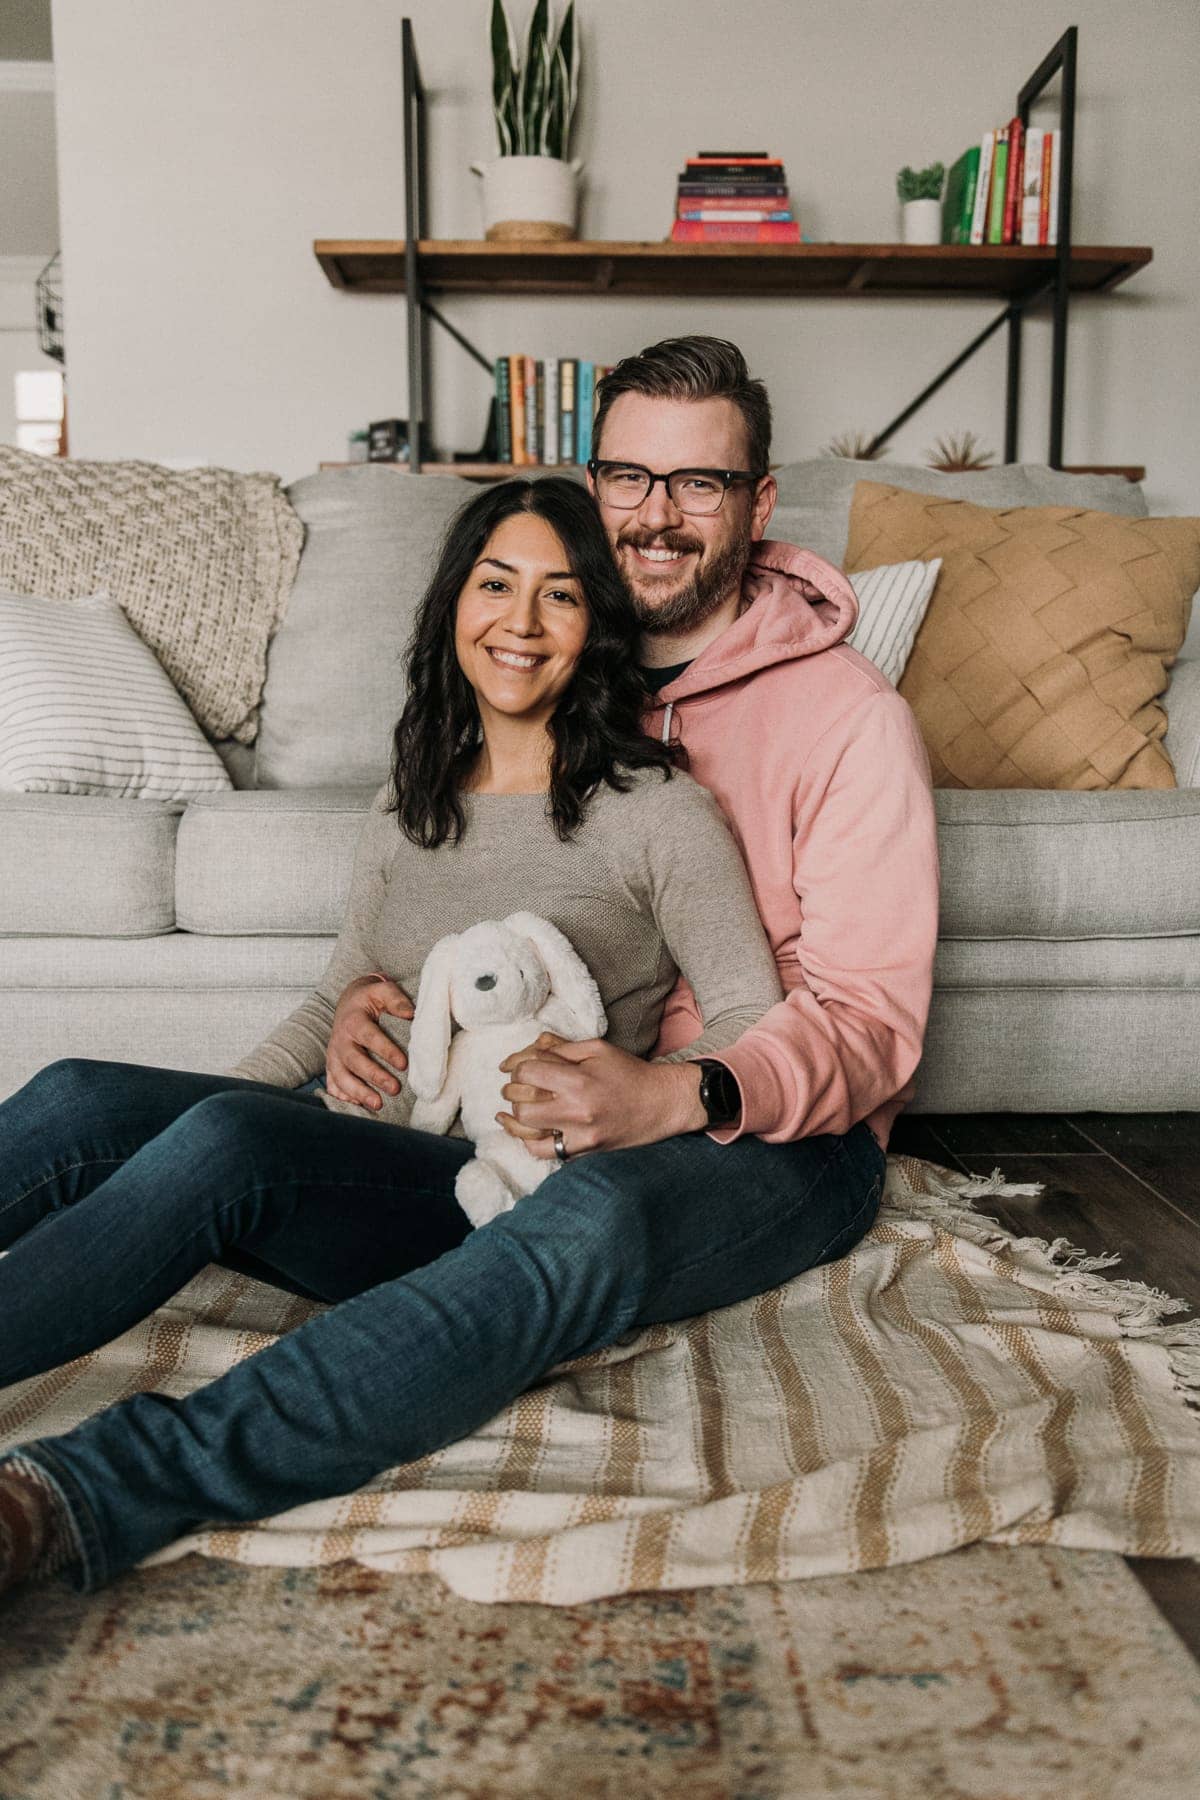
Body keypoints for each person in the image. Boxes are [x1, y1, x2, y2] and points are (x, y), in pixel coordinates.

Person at [0, 333, 936, 1600]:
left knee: (588, 1214)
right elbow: (378, 969)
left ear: (758, 504)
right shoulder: (527, 702)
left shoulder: (843, 721)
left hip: (771, 1134)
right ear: (588, 489)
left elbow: (869, 1023)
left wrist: (678, 1094)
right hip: (510, 1124)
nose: (657, 518)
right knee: (118, 1107)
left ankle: (64, 1500)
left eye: (699, 485)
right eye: (629, 479)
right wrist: (318, 1064)